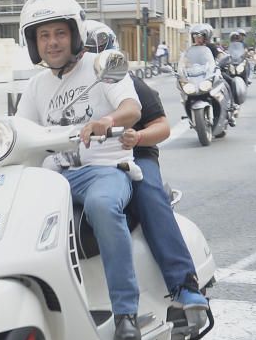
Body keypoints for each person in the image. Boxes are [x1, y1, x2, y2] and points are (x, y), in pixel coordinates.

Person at [9, 0, 145, 340]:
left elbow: (131, 107)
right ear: (34, 43)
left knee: (102, 206)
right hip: (54, 179)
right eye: (43, 36)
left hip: (104, 170)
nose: (52, 43)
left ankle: (126, 314)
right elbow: (20, 130)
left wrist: (107, 120)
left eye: (59, 33)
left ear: (74, 34)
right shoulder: (37, 85)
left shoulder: (102, 66)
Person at [84, 20, 209, 312]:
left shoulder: (128, 83)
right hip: (86, 163)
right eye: (86, 52)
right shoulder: (63, 87)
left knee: (148, 193)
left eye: (95, 52)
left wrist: (138, 137)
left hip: (134, 156)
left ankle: (183, 283)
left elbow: (162, 126)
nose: (90, 59)